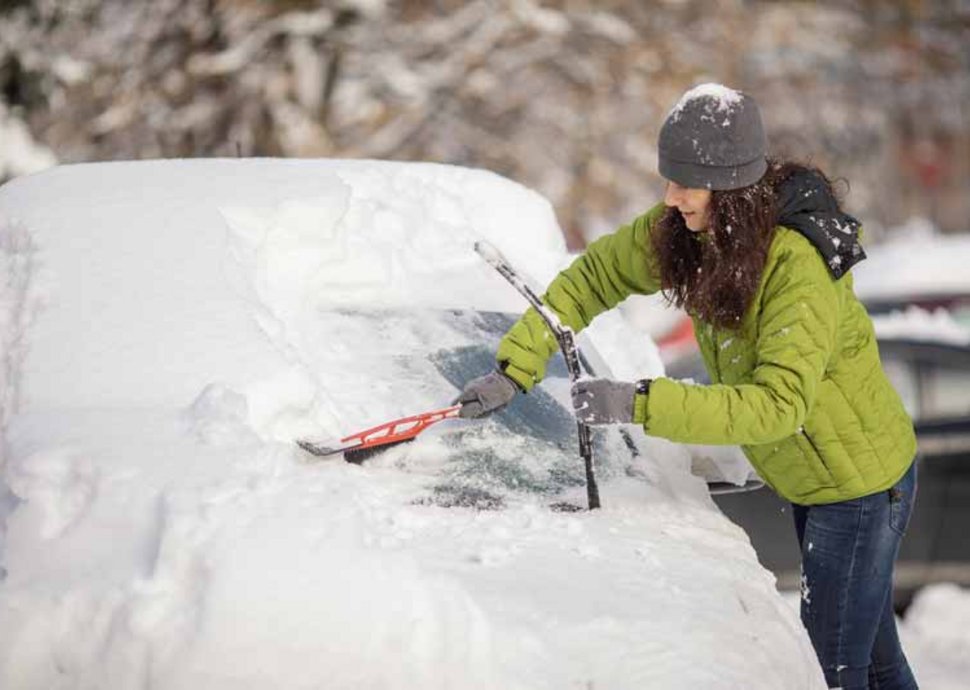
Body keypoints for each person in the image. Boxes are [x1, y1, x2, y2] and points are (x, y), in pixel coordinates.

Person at [456, 83, 919, 690]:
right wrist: (517, 364)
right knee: (875, 666)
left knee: (832, 670)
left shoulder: (793, 266)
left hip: (859, 488)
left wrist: (638, 403)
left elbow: (778, 404)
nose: (671, 197)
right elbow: (594, 277)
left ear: (731, 187)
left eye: (687, 183)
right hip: (817, 480)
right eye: (668, 180)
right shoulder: (688, 233)